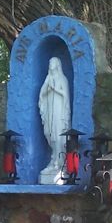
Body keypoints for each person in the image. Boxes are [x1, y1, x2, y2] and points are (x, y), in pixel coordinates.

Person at [38, 56, 71, 184]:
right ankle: (54, 160)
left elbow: (65, 96)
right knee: (49, 134)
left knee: (58, 136)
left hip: (59, 112)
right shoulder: (48, 79)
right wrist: (47, 89)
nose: (50, 65)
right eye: (49, 63)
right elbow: (41, 94)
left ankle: (59, 162)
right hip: (50, 112)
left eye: (52, 63)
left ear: (57, 65)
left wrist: (54, 89)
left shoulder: (63, 79)